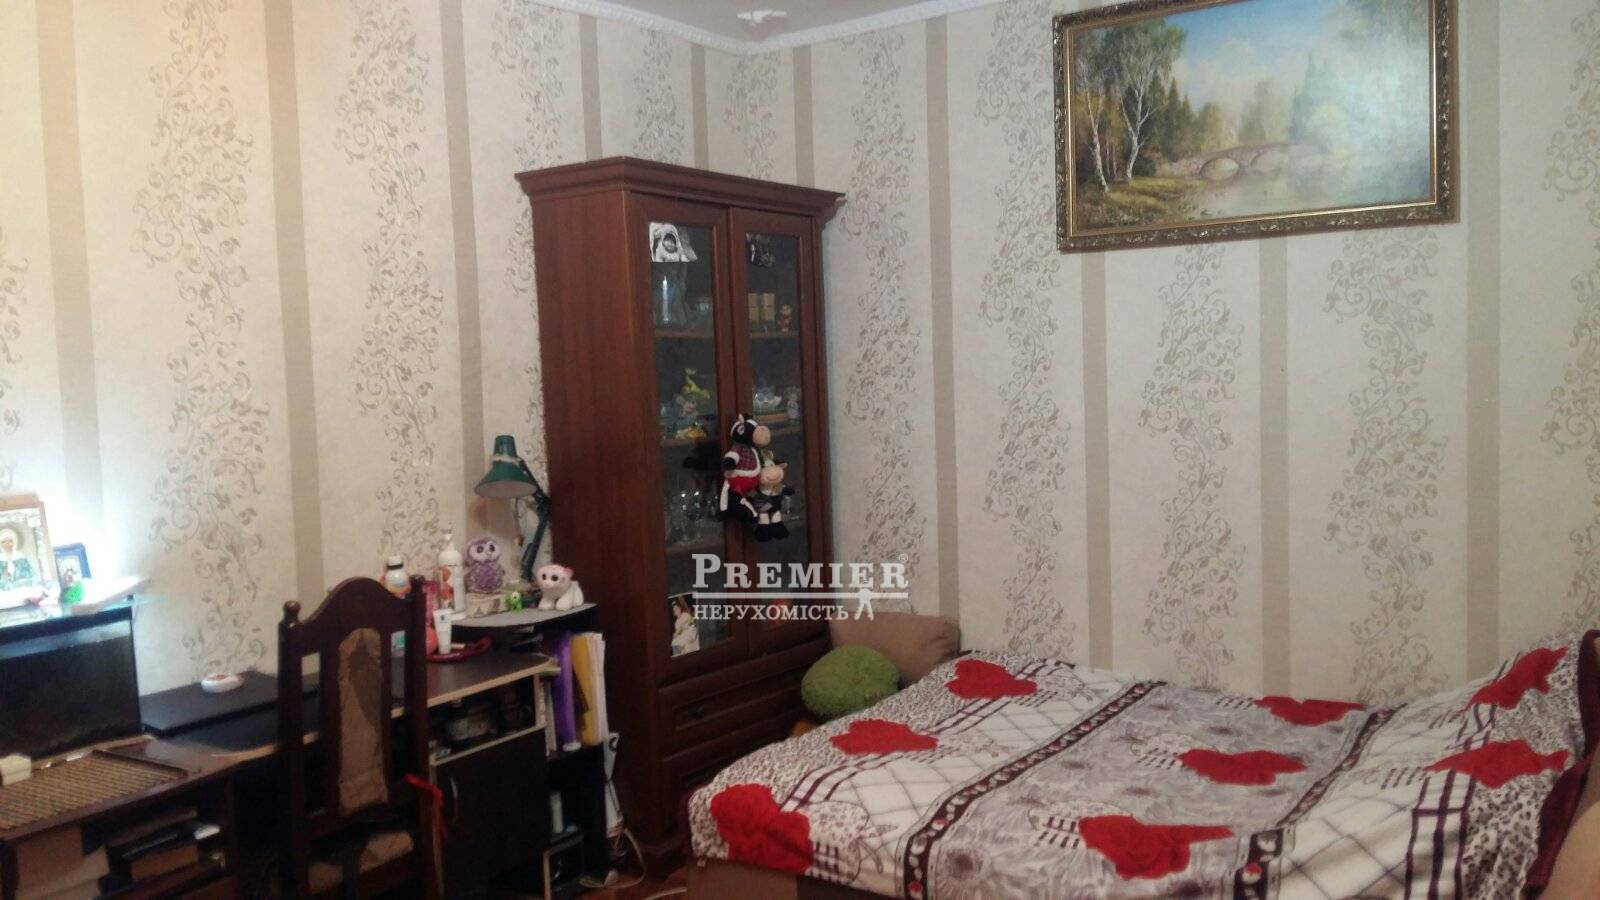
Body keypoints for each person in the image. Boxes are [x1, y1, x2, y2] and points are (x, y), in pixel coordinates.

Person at [0, 526, 38, 593]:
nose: (7, 544)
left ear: (14, 542)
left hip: (22, 589)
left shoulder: (21, 557)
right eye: (4, 542)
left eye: (10, 541)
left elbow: (32, 576)